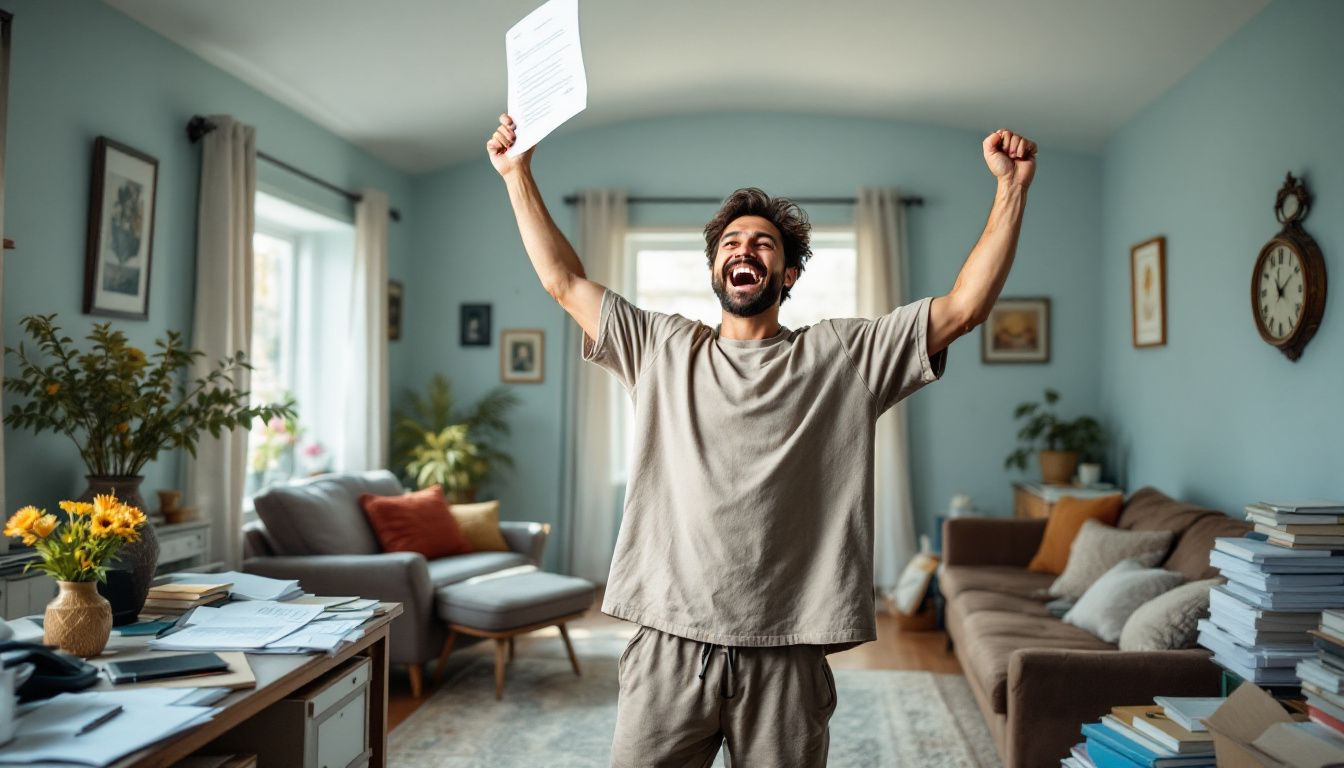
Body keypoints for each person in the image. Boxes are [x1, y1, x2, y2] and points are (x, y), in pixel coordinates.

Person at [487, 114, 1035, 767]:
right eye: (732, 242)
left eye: (764, 244)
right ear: (716, 267)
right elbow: (564, 283)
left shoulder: (845, 355)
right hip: (669, 639)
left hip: (788, 646)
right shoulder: (663, 346)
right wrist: (517, 173)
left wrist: (1011, 188)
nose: (745, 249)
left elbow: (963, 308)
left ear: (790, 274)